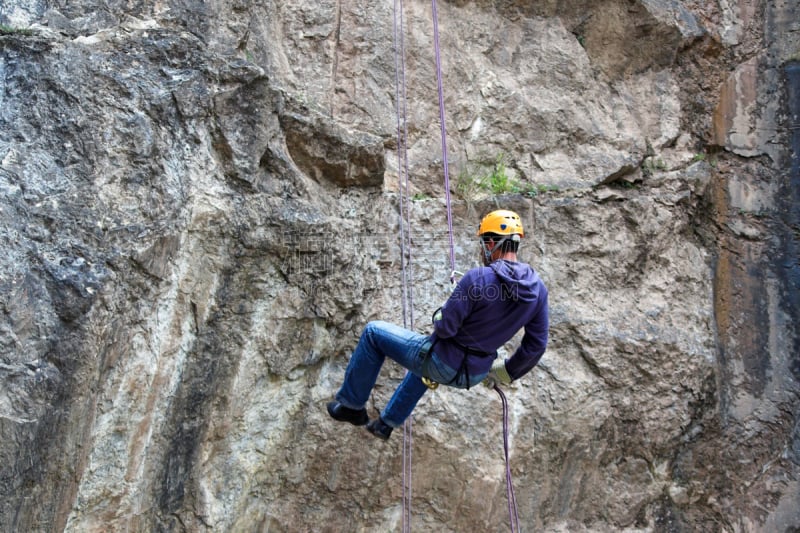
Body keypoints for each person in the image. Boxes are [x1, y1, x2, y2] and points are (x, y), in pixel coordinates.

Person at [327, 209, 549, 440]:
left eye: (484, 242)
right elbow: (537, 345)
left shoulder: (478, 278)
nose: (482, 249)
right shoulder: (538, 290)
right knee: (425, 361)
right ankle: (386, 424)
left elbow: (444, 328)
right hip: (475, 374)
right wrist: (508, 372)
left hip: (444, 364)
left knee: (374, 333)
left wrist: (445, 310)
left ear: (492, 242)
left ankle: (352, 406)